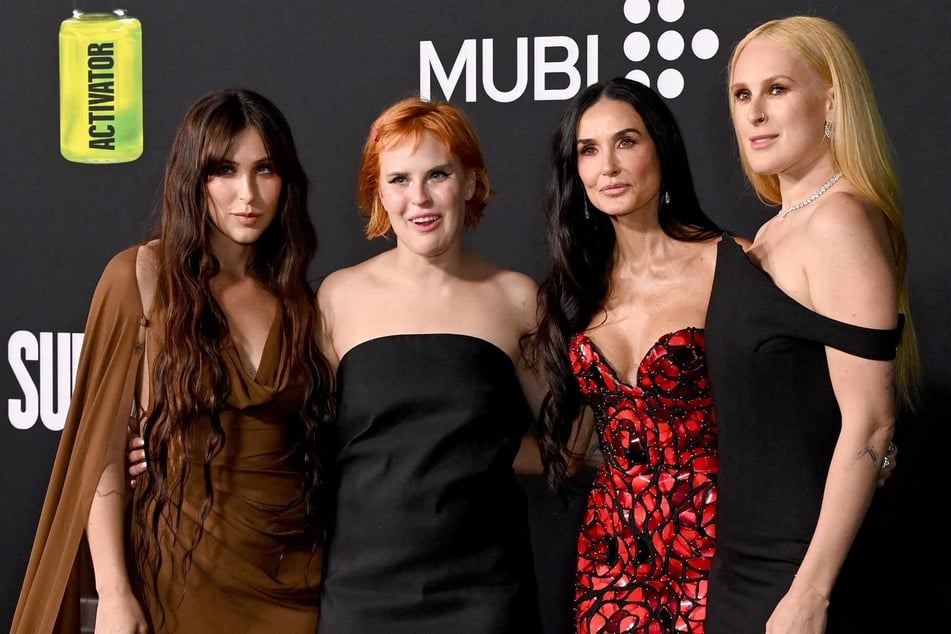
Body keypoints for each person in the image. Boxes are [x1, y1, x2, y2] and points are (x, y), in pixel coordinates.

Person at [12, 88, 334, 633]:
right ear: (193, 177)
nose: (248, 193)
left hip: (298, 582)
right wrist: (114, 592)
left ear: (287, 182)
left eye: (265, 169)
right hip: (176, 581)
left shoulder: (306, 300)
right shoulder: (139, 277)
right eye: (225, 170)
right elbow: (103, 453)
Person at [703, 16, 920, 633]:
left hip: (800, 576)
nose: (755, 114)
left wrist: (812, 594)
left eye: (777, 90)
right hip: (747, 567)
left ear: (831, 100)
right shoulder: (777, 227)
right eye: (742, 95)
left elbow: (872, 422)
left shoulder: (839, 221)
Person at [314, 96, 545, 633]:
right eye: (398, 180)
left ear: (469, 181)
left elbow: (569, 442)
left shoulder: (516, 298)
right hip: (361, 593)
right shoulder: (337, 297)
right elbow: (304, 444)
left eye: (437, 174)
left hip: (483, 595)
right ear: (378, 191)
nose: (418, 198)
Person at [533, 77, 723, 633]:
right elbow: (574, 441)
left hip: (716, 537)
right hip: (612, 550)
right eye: (588, 150)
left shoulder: (729, 263)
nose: (607, 166)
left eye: (626, 142)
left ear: (661, 148)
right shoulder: (572, 288)